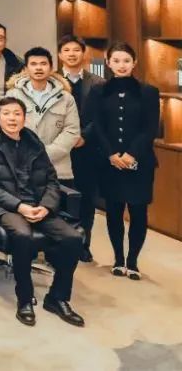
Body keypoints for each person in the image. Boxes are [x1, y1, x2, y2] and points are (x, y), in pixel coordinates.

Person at [0, 97, 85, 327]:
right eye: (6, 113)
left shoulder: (34, 144)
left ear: (25, 118)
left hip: (38, 205)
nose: (12, 118)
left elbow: (52, 180)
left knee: (73, 238)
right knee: (23, 236)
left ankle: (57, 298)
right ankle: (24, 299)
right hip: (5, 208)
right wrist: (19, 206)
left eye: (17, 114)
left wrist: (47, 206)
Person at [83, 42, 159, 280]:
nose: (121, 65)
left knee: (138, 211)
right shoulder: (99, 91)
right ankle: (118, 259)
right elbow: (97, 126)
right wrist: (111, 154)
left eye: (126, 60)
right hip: (110, 162)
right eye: (116, 61)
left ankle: (133, 261)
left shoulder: (149, 92)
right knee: (114, 211)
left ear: (134, 62)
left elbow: (150, 128)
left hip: (140, 162)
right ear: (108, 63)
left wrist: (131, 154)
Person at [57, 35, 105, 262]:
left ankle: (83, 244)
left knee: (86, 199)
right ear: (60, 54)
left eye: (76, 50)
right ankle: (57, 244)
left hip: (87, 149)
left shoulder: (98, 82)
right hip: (58, 149)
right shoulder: (53, 81)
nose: (72, 54)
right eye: (67, 50)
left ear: (83, 53)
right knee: (58, 196)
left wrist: (84, 136)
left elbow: (101, 116)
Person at [4, 47, 80, 184]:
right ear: (26, 69)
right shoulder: (13, 95)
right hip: (22, 167)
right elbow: (6, 128)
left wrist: (45, 154)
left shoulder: (66, 98)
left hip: (58, 169)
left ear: (51, 68)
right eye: (33, 64)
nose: (38, 68)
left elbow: (72, 131)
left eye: (43, 64)